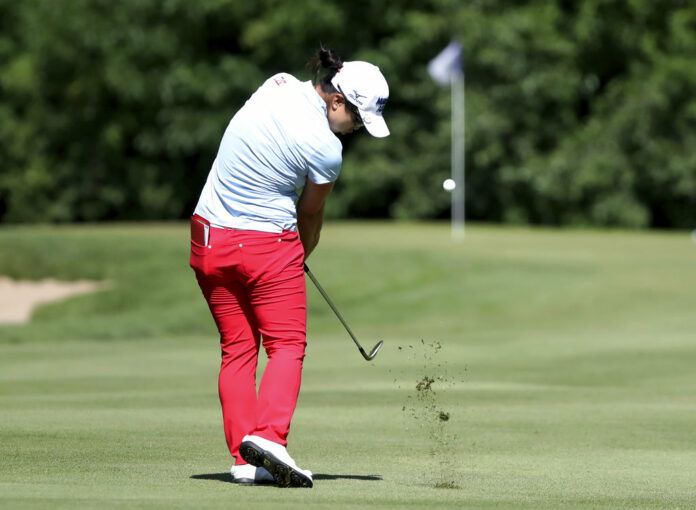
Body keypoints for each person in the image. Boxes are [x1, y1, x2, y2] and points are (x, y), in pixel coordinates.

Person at [189, 46, 390, 488]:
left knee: (238, 347)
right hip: (264, 244)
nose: (354, 128)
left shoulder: (276, 83)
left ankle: (245, 461)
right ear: (337, 100)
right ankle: (270, 439)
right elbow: (310, 216)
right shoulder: (326, 147)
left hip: (207, 239)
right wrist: (298, 257)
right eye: (356, 118)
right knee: (287, 345)